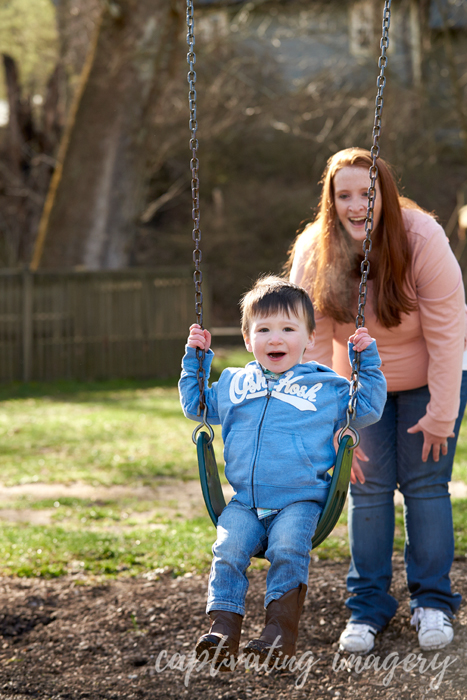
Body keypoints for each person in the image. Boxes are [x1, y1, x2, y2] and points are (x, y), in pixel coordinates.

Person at [288, 147, 467, 654]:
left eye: (366, 193)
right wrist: (332, 423)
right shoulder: (314, 251)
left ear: (384, 194)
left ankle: (432, 601)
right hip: (356, 385)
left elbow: (448, 331)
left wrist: (442, 413)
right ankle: (367, 608)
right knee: (366, 487)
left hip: (432, 375)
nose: (356, 204)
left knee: (426, 484)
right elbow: (314, 344)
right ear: (330, 200)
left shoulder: (421, 237)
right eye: (343, 195)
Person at [179, 276, 387, 668]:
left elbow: (369, 410)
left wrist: (367, 363)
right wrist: (197, 360)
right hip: (245, 502)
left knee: (288, 550)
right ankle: (222, 631)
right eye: (264, 330)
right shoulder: (234, 384)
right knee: (227, 551)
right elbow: (196, 407)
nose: (276, 338)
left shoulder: (328, 387)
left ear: (309, 338)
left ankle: (278, 635)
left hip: (300, 502)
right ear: (247, 339)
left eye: (289, 329)